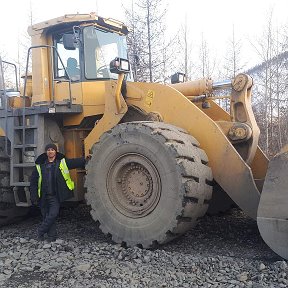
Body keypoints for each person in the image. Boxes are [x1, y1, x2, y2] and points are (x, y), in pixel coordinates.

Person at [30, 143, 86, 242]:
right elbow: (33, 182)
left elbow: (74, 162)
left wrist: (86, 159)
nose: (50, 151)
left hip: (54, 196)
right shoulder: (40, 165)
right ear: (46, 152)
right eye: (48, 150)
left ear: (55, 151)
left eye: (52, 149)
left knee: (53, 214)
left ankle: (40, 231)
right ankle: (52, 237)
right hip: (43, 196)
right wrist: (34, 196)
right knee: (46, 216)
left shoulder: (62, 163)